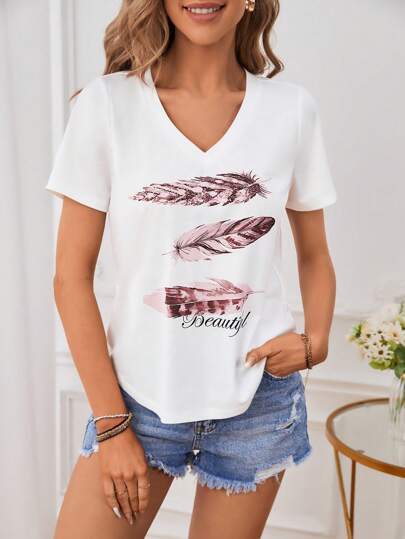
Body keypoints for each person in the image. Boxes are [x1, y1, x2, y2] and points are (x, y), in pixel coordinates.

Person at [45, 0, 337, 537]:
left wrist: (315, 341)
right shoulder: (107, 106)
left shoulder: (291, 110)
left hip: (258, 403)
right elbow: (70, 278)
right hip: (136, 400)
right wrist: (112, 426)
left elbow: (315, 253)